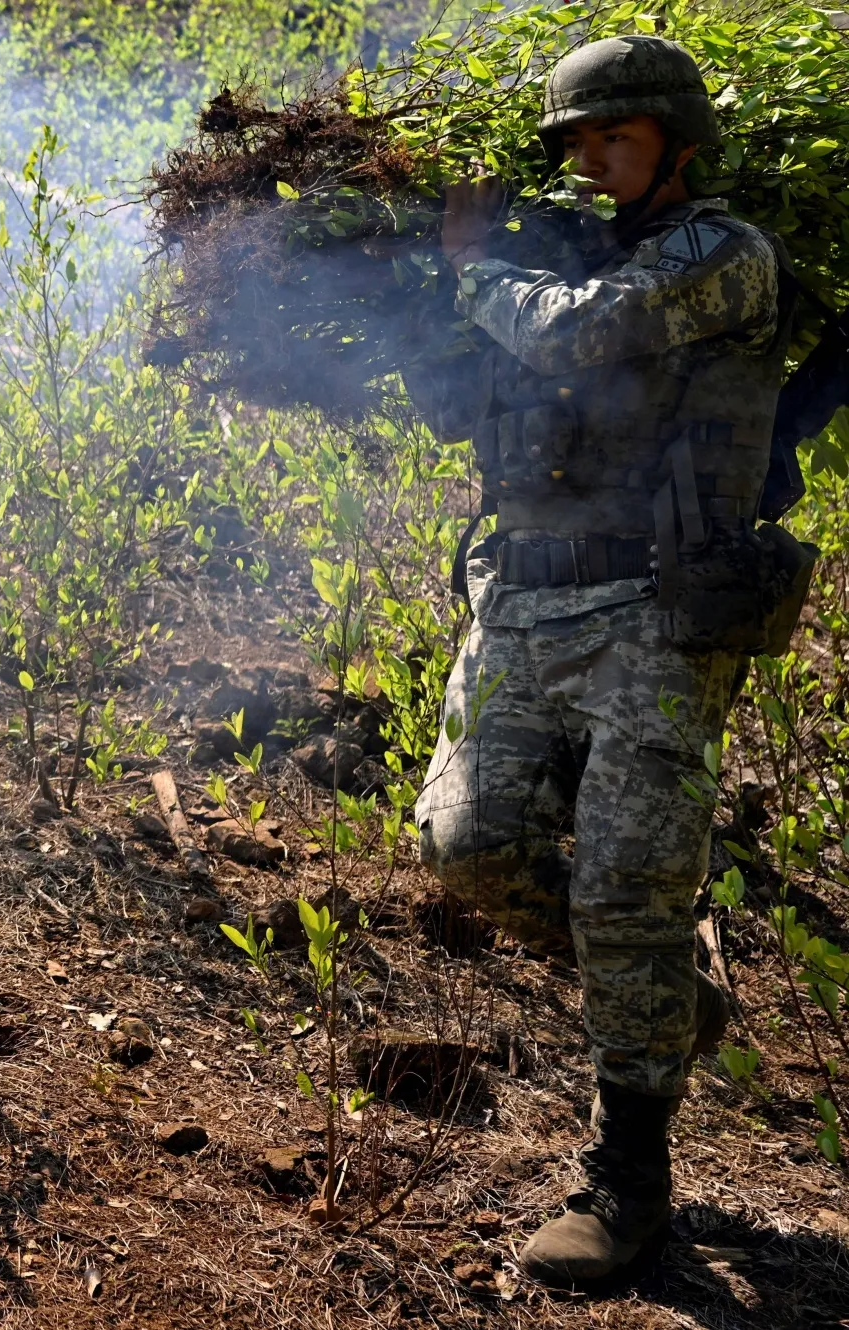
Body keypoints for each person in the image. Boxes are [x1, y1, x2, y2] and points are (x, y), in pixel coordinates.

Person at [412, 36, 801, 1289]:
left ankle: (624, 1185)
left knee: (625, 891)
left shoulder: (720, 254)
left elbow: (586, 336)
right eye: (571, 142)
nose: (584, 159)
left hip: (655, 606)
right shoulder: (554, 264)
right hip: (518, 598)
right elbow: (456, 397)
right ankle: (665, 1003)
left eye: (610, 137)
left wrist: (470, 270)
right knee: (462, 848)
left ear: (677, 143)